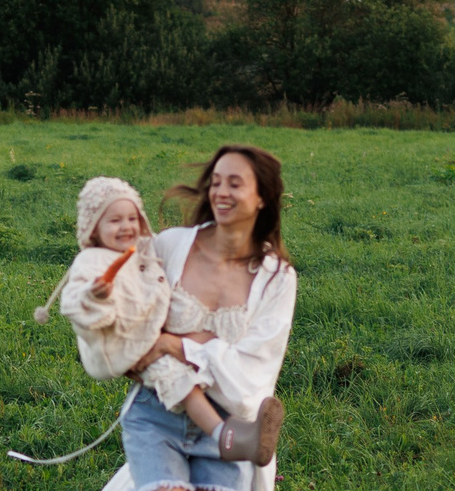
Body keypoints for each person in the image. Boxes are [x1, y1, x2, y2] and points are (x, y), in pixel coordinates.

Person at [53, 145, 295, 491]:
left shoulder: (276, 280)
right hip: (157, 416)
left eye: (237, 183)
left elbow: (254, 372)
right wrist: (137, 344)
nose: (222, 191)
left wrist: (179, 344)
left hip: (230, 429)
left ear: (263, 197)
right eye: (216, 180)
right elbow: (118, 316)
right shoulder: (170, 247)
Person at [35, 175, 281, 462]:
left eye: (131, 218)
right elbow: (73, 303)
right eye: (114, 221)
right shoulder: (91, 262)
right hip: (118, 347)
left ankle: (232, 415)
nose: (126, 226)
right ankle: (227, 437)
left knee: (190, 372)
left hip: (142, 335)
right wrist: (95, 296)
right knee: (180, 380)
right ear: (93, 228)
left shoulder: (141, 252)